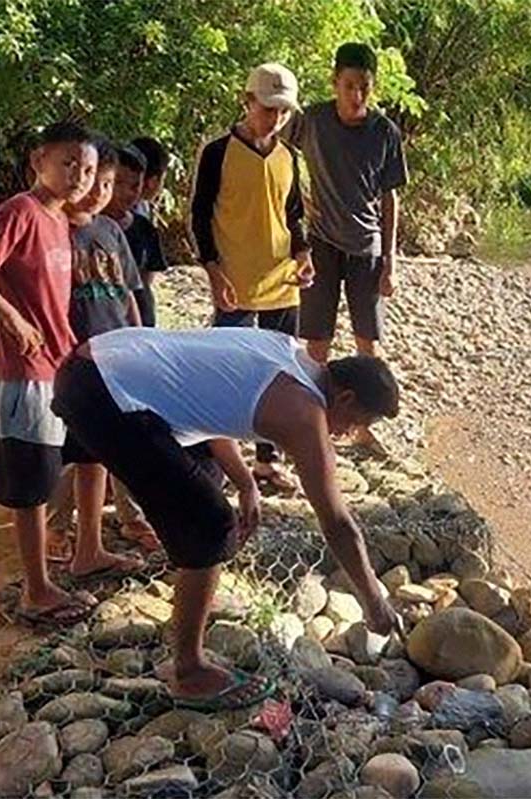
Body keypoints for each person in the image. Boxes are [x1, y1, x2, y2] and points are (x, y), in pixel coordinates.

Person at [52, 326, 401, 705]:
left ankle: (188, 591)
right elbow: (336, 521)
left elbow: (209, 403)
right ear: (345, 397)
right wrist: (374, 603)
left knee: (207, 481)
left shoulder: (287, 351)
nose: (349, 433)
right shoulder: (304, 412)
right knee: (213, 526)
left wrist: (247, 483)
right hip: (104, 393)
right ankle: (188, 670)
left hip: (93, 359)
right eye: (357, 422)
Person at [0, 121, 99, 627]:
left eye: (89, 168)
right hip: (21, 365)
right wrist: (10, 315)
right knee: (29, 481)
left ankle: (81, 556)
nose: (79, 175)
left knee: (66, 461)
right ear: (39, 161)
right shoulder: (22, 211)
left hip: (56, 361)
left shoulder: (59, 219)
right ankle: (36, 589)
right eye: (68, 162)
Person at [191, 63, 314, 493]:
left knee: (279, 372)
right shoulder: (217, 152)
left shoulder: (290, 157)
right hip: (234, 282)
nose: (276, 119)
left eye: (284, 112)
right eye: (268, 109)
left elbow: (294, 215)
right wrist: (212, 270)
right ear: (247, 102)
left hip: (282, 283)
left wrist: (302, 254)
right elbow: (200, 216)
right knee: (228, 372)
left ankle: (267, 460)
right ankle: (223, 460)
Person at [45, 139, 156, 572]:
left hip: (114, 357)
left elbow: (127, 293)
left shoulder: (111, 232)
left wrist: (137, 340)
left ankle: (91, 544)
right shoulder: (55, 229)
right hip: (71, 359)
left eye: (106, 183)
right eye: (92, 179)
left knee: (98, 452)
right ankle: (56, 526)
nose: (98, 191)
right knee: (66, 452)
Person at [282, 42, 408, 366]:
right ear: (334, 82)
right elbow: (275, 149)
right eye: (349, 86)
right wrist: (298, 193)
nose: (356, 96)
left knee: (368, 343)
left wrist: (390, 264)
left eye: (364, 87)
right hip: (321, 242)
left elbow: (390, 197)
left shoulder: (385, 133)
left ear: (373, 87)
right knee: (316, 343)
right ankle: (313, 410)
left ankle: (364, 413)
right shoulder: (311, 120)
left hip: (366, 246)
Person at [108, 145, 168, 328]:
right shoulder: (80, 229)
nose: (127, 193)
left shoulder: (145, 229)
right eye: (117, 183)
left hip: (139, 318)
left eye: (135, 186)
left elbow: (144, 282)